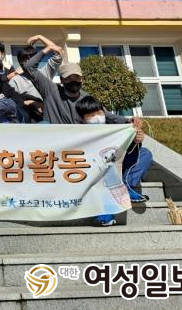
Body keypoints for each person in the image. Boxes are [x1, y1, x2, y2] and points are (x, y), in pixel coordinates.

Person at [75, 96, 152, 226]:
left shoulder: (115, 128)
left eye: (99, 112)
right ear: (82, 119)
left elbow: (130, 150)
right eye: (91, 115)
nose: (97, 117)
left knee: (145, 154)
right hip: (93, 173)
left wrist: (136, 140)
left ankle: (126, 188)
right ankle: (104, 212)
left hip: (115, 167)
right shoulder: (78, 134)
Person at [21, 37, 123, 126]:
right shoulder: (50, 90)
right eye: (69, 78)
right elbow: (29, 66)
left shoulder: (86, 98)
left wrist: (127, 120)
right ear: (61, 80)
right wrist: (49, 48)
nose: (73, 81)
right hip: (53, 139)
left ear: (82, 79)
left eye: (77, 77)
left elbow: (104, 114)